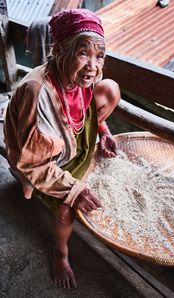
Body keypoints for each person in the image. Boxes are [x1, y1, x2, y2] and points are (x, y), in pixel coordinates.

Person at [4, 9, 120, 289]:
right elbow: (29, 161)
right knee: (67, 210)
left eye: (99, 55)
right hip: (43, 157)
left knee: (111, 88)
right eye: (83, 54)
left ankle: (84, 148)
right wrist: (74, 190)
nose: (93, 66)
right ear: (58, 50)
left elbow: (90, 100)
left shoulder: (79, 76)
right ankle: (61, 253)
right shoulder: (37, 91)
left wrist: (102, 130)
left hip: (68, 135)